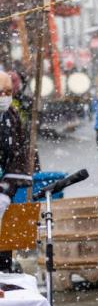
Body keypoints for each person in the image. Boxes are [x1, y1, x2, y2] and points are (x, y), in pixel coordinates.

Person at [0, 69, 31, 273]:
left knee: (4, 248)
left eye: (8, 92)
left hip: (4, 193)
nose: (4, 97)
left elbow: (19, 155)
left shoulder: (11, 117)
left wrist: (5, 189)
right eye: (0, 92)